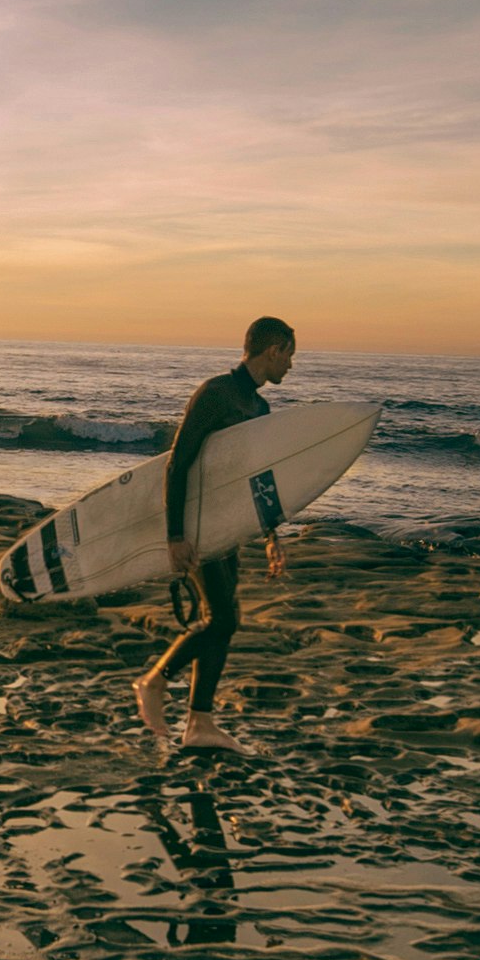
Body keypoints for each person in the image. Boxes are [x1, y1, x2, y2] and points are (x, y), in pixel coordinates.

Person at [135, 316, 296, 755]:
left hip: (226, 527)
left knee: (222, 619)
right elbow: (177, 463)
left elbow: (255, 477)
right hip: (195, 525)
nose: (291, 367)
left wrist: (270, 535)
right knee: (223, 619)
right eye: (290, 356)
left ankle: (199, 723)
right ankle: (154, 682)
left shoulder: (258, 408)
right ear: (274, 350)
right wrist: (175, 535)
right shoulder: (215, 394)